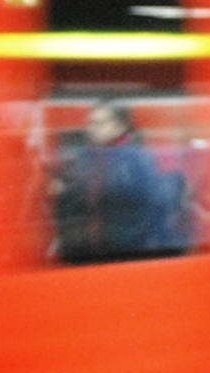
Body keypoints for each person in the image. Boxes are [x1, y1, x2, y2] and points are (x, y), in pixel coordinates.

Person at [50, 100, 182, 262]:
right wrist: (63, 191)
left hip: (128, 253)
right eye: (90, 123)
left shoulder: (137, 159)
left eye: (98, 124)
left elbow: (155, 207)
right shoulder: (86, 157)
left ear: (119, 127)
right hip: (93, 251)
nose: (91, 129)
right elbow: (79, 195)